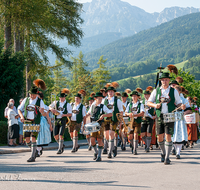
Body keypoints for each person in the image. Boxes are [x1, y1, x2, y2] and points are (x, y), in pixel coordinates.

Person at [147, 72, 185, 165]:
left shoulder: (174, 91)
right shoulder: (156, 91)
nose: (165, 81)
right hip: (160, 116)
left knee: (168, 136)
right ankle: (163, 153)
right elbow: (148, 102)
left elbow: (178, 102)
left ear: (169, 80)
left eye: (166, 79)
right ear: (161, 81)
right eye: (163, 80)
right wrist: (155, 105)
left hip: (170, 115)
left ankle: (167, 157)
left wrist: (182, 106)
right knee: (159, 137)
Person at [18, 79, 47, 162]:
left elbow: (45, 114)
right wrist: (21, 116)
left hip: (35, 121)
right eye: (30, 94)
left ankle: (32, 156)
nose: (32, 96)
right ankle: (36, 150)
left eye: (33, 94)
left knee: (33, 138)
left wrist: (42, 111)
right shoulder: (26, 100)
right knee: (27, 139)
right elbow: (19, 109)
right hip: (27, 121)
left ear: (36, 94)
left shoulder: (40, 101)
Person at [86, 92, 112, 161]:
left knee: (100, 139)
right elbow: (89, 113)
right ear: (95, 99)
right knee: (92, 140)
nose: (100, 100)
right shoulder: (92, 106)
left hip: (100, 124)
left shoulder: (103, 106)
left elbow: (110, 114)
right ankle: (95, 152)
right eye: (99, 99)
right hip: (93, 123)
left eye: (101, 99)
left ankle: (99, 156)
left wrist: (104, 115)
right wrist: (86, 115)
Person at [49, 89, 72, 154]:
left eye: (63, 97)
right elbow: (49, 106)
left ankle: (59, 149)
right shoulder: (56, 102)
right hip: (56, 120)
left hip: (63, 120)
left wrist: (63, 115)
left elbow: (70, 114)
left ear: (65, 97)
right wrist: (52, 109)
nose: (61, 98)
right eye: (60, 97)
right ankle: (61, 145)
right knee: (55, 136)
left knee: (61, 135)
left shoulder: (67, 104)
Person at [103, 83, 123, 158]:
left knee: (111, 134)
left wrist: (120, 122)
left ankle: (109, 152)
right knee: (106, 135)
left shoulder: (117, 101)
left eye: (112, 91)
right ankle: (113, 147)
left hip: (114, 119)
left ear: (113, 92)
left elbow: (121, 111)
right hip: (106, 119)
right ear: (107, 92)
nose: (110, 93)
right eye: (109, 91)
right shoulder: (104, 100)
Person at [172, 85, 191, 159]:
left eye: (176, 91)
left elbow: (189, 110)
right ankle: (174, 148)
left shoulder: (184, 100)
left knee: (179, 136)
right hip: (172, 118)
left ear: (179, 92)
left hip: (180, 120)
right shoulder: (171, 100)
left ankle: (178, 152)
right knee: (173, 135)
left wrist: (184, 112)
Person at [125, 90, 144, 155]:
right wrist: (129, 114)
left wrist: (135, 115)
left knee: (135, 135)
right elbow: (126, 113)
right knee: (130, 136)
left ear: (138, 97)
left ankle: (135, 149)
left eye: (135, 96)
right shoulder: (129, 104)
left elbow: (142, 113)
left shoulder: (140, 104)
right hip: (130, 122)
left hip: (137, 121)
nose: (134, 97)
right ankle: (133, 146)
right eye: (133, 96)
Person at [36, 92, 53, 157]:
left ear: (41, 98)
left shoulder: (45, 106)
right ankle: (37, 150)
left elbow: (48, 117)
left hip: (42, 123)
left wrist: (50, 126)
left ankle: (38, 150)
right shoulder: (34, 105)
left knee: (40, 136)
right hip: (35, 121)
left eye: (38, 97)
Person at [141, 87, 156, 153]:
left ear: (150, 95)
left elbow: (157, 110)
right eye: (144, 95)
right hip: (144, 118)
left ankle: (147, 147)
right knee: (142, 134)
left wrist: (155, 116)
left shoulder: (153, 102)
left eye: (147, 95)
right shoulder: (141, 102)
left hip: (150, 118)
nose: (145, 96)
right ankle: (147, 144)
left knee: (149, 133)